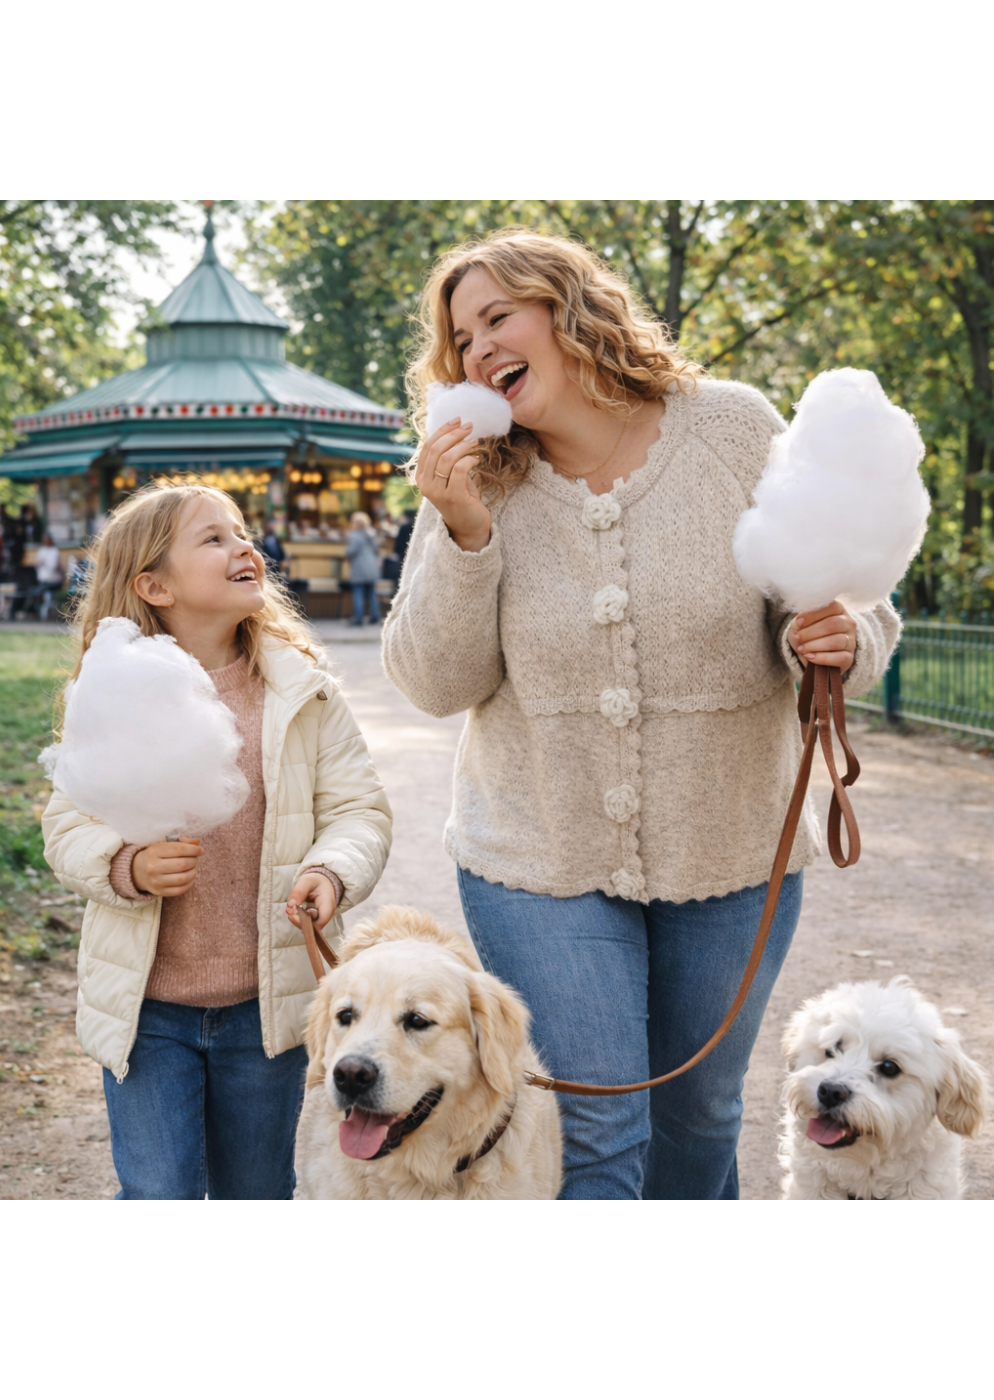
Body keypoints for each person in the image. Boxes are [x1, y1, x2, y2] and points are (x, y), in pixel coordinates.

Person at [381, 230, 900, 1200]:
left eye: (499, 316)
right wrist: (462, 531)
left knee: (699, 1113)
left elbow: (844, 594)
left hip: (734, 847)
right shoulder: (468, 477)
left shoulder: (733, 429)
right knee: (599, 1121)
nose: (479, 347)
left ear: (568, 307)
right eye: (461, 337)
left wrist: (842, 639)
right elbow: (432, 681)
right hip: (538, 855)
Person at [41, 482, 392, 1199]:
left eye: (242, 531)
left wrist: (331, 870)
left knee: (254, 1195)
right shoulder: (114, 691)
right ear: (153, 585)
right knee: (158, 1194)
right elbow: (65, 824)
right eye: (214, 538)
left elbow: (359, 808)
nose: (244, 546)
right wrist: (125, 865)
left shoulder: (303, 692)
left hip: (265, 1010)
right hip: (147, 1009)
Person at [345, 510, 380, 626]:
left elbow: (351, 552)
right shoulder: (372, 534)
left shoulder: (355, 536)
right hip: (371, 566)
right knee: (371, 593)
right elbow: (376, 551)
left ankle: (359, 618)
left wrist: (345, 553)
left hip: (360, 567)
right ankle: (375, 616)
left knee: (358, 592)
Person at [34, 532, 64, 620]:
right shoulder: (42, 550)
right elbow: (38, 564)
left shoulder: (55, 551)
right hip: (43, 579)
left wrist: (44, 563)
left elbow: (52, 567)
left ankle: (46, 611)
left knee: (46, 591)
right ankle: (45, 610)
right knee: (43, 591)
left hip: (54, 580)